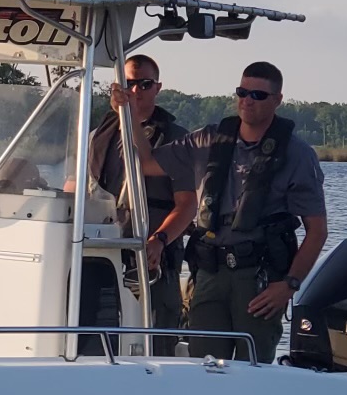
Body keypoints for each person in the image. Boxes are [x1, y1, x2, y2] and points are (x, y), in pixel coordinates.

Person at [115, 60, 327, 363]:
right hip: (209, 272)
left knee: (252, 368)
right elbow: (145, 163)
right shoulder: (208, 139)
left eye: (258, 95)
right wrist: (130, 115)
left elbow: (317, 232)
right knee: (204, 363)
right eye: (242, 92)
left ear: (277, 100)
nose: (247, 100)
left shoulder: (297, 155)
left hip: (258, 279)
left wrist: (289, 286)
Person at [75, 54, 196, 354]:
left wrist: (160, 240)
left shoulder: (177, 140)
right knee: (92, 337)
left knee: (157, 342)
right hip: (101, 256)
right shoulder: (97, 136)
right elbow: (80, 187)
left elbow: (187, 205)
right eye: (130, 84)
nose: (136, 90)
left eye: (145, 84)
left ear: (158, 88)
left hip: (153, 258)